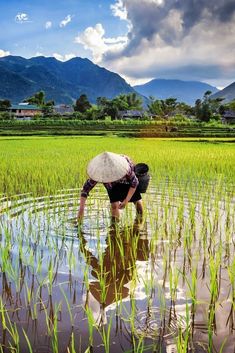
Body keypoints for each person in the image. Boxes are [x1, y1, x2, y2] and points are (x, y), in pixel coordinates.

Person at [77, 151, 143, 223]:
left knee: (137, 202)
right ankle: (115, 227)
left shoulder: (125, 168)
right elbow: (85, 190)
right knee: (114, 205)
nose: (108, 178)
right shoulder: (99, 173)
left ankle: (140, 221)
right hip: (111, 187)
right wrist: (81, 209)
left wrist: (126, 200)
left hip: (126, 182)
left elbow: (134, 183)